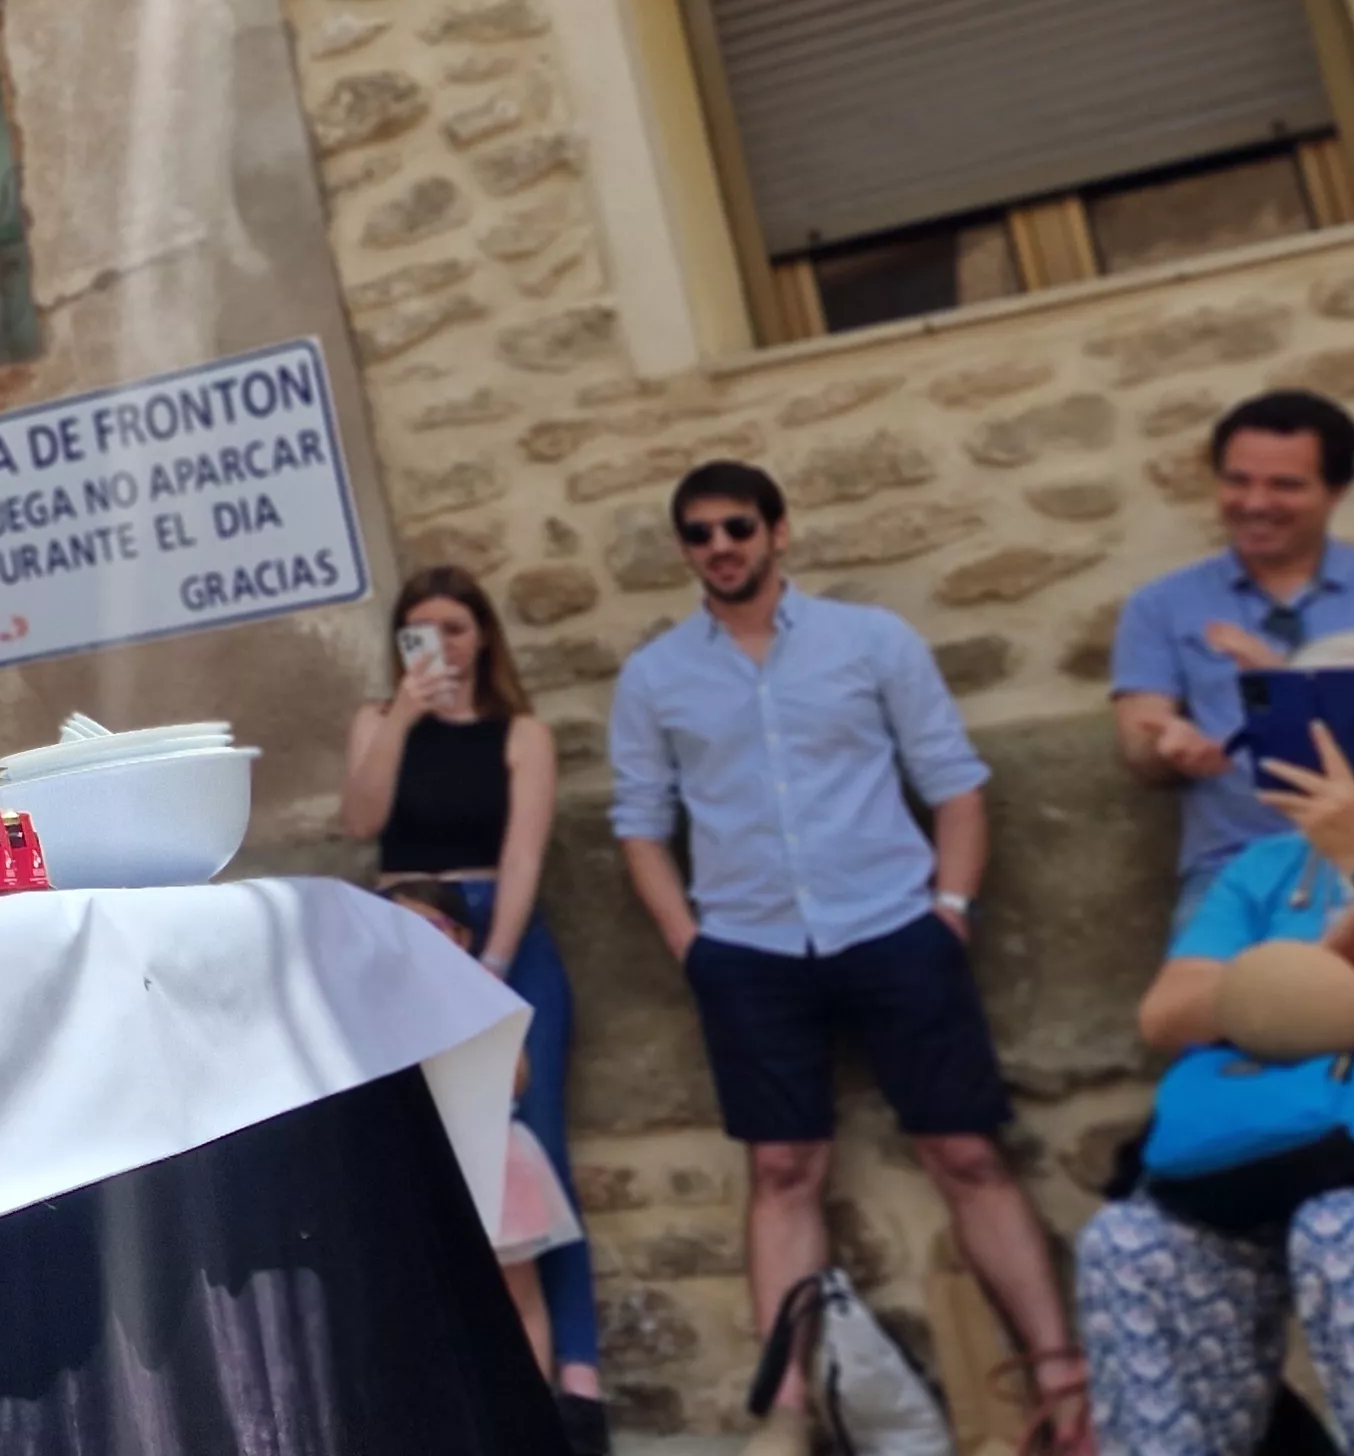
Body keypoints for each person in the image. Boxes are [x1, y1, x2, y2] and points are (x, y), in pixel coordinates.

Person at [610, 460, 1093, 1453]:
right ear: (682, 551)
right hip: (744, 946)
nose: (719, 547)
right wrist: (685, 940)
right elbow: (638, 822)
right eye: (698, 534)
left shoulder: (870, 642)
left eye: (737, 526)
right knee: (781, 1166)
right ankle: (785, 1408)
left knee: (962, 1149)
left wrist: (946, 911)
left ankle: (1058, 1374)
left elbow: (953, 783)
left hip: (890, 927)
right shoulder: (655, 676)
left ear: (779, 531)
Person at [337, 567, 603, 1438]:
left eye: (454, 628)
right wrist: (407, 716)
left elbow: (523, 855)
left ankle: (576, 1379)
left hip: (497, 932)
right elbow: (359, 818)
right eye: (419, 631)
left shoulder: (520, 733)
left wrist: (489, 962)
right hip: (403, 929)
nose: (439, 646)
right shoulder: (379, 722)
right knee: (412, 1153)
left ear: (483, 635)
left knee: (533, 1154)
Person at [1076, 714, 1354, 1453]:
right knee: (1131, 1247)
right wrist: (1313, 961)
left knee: (1341, 1234)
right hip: (1268, 1154)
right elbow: (1168, 1016)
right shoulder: (1265, 869)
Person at [1113, 390, 1354, 938]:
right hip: (1235, 866)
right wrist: (1166, 745)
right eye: (1237, 480)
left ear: (1336, 491)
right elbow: (1139, 738)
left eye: (1285, 485)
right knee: (1188, 1020)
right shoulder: (1160, 605)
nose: (1254, 502)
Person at [384, 879, 591, 1403]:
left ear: (461, 937)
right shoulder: (381, 1002)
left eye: (428, 926)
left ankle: (531, 1414)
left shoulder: (478, 992)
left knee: (518, 1294)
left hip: (491, 1158)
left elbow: (518, 1075)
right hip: (421, 1162)